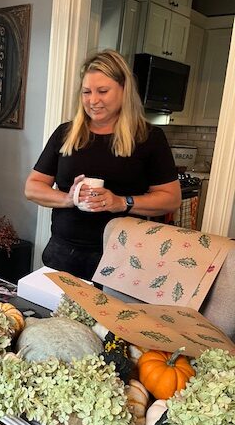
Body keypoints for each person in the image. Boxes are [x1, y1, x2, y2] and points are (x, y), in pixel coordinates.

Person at [25, 49, 181, 280]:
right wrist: (69, 199)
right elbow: (32, 187)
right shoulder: (66, 134)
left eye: (103, 91)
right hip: (62, 253)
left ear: (124, 90)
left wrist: (121, 202)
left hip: (122, 256)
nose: (93, 100)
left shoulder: (149, 138)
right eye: (86, 92)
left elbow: (171, 198)